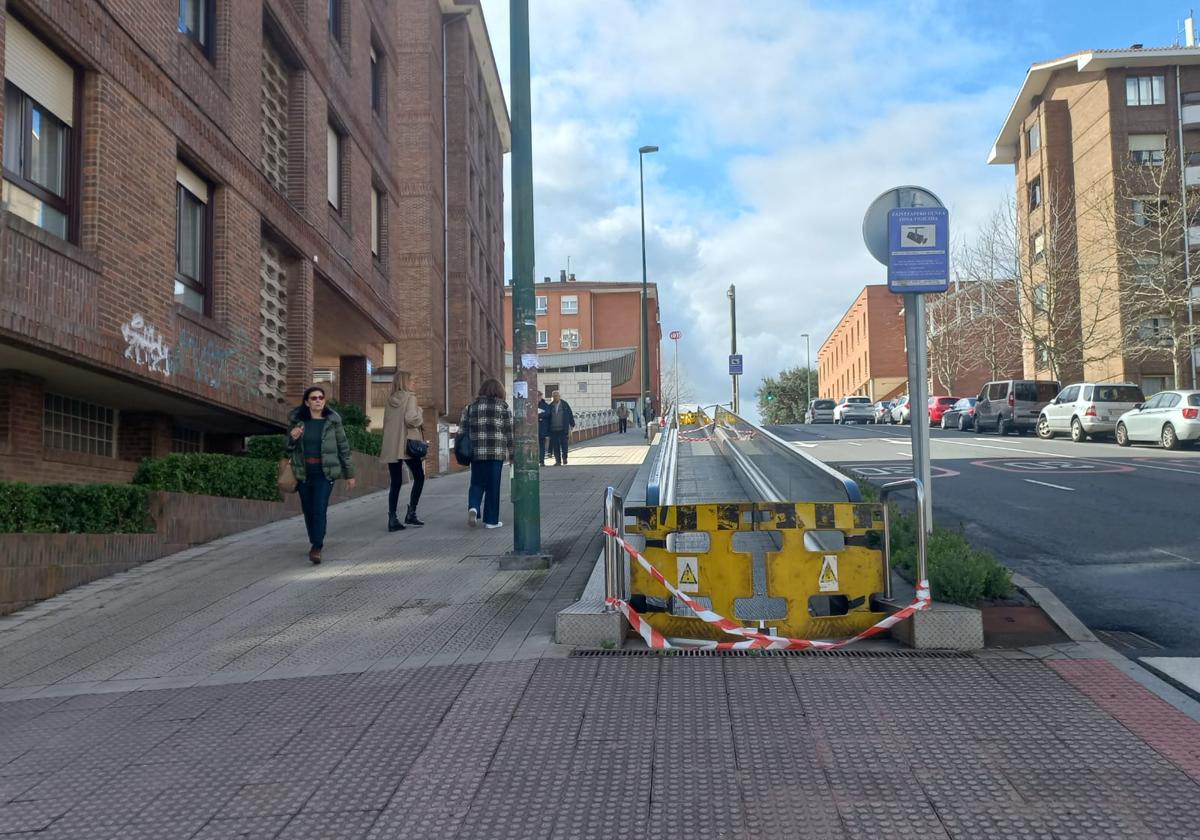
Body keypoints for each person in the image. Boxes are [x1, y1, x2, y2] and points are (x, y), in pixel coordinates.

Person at [287, 386, 356, 564]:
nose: (318, 400)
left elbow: (343, 448)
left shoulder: (332, 422)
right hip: (303, 473)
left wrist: (349, 474)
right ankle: (314, 540)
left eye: (321, 397)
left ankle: (317, 546)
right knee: (308, 510)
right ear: (307, 402)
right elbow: (286, 448)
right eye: (314, 398)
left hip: (324, 473)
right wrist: (292, 438)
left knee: (319, 509)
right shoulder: (298, 422)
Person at [460, 378, 513, 528]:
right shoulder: (503, 408)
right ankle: (491, 521)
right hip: (496, 454)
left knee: (476, 483)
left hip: (476, 454)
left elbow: (462, 431)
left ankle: (473, 507)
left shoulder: (470, 408)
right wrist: (512, 453)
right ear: (499, 391)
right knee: (493, 486)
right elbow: (509, 432)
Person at [379, 370, 426, 532]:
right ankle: (411, 513)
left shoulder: (390, 400)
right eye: (412, 380)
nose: (414, 383)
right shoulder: (410, 397)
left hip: (392, 446)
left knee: (396, 482)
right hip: (408, 445)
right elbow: (412, 419)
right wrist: (420, 412)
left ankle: (392, 518)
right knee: (419, 477)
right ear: (405, 382)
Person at [548, 390, 575, 465]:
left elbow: (570, 414)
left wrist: (572, 424)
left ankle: (564, 457)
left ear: (559, 396)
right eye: (553, 396)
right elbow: (547, 417)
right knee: (555, 446)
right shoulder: (550, 406)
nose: (555, 397)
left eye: (556, 396)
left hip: (563, 429)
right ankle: (558, 461)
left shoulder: (565, 404)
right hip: (553, 429)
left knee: (564, 445)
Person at [537, 391, 551, 465]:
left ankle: (541, 461)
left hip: (542, 429)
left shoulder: (544, 405)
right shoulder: (531, 404)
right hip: (532, 430)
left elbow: (548, 413)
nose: (537, 398)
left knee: (542, 445)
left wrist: (538, 416)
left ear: (540, 396)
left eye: (538, 396)